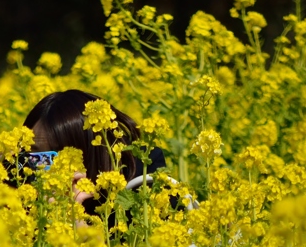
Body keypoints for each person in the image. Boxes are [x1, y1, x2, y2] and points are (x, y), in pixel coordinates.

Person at [15, 89, 185, 224]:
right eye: (35, 155)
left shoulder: (142, 180)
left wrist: (73, 218)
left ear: (92, 151)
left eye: (58, 156)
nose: (44, 167)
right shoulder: (25, 176)